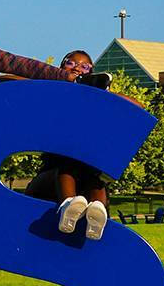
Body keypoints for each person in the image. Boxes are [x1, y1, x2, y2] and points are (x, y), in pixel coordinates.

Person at [22, 50, 113, 240]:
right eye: (71, 63)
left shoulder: (95, 105)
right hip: (48, 183)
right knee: (69, 165)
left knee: (95, 178)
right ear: (61, 67)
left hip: (86, 183)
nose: (77, 68)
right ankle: (68, 205)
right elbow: (6, 81)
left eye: (84, 67)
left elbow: (137, 106)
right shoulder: (49, 95)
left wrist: (103, 94)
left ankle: (97, 210)